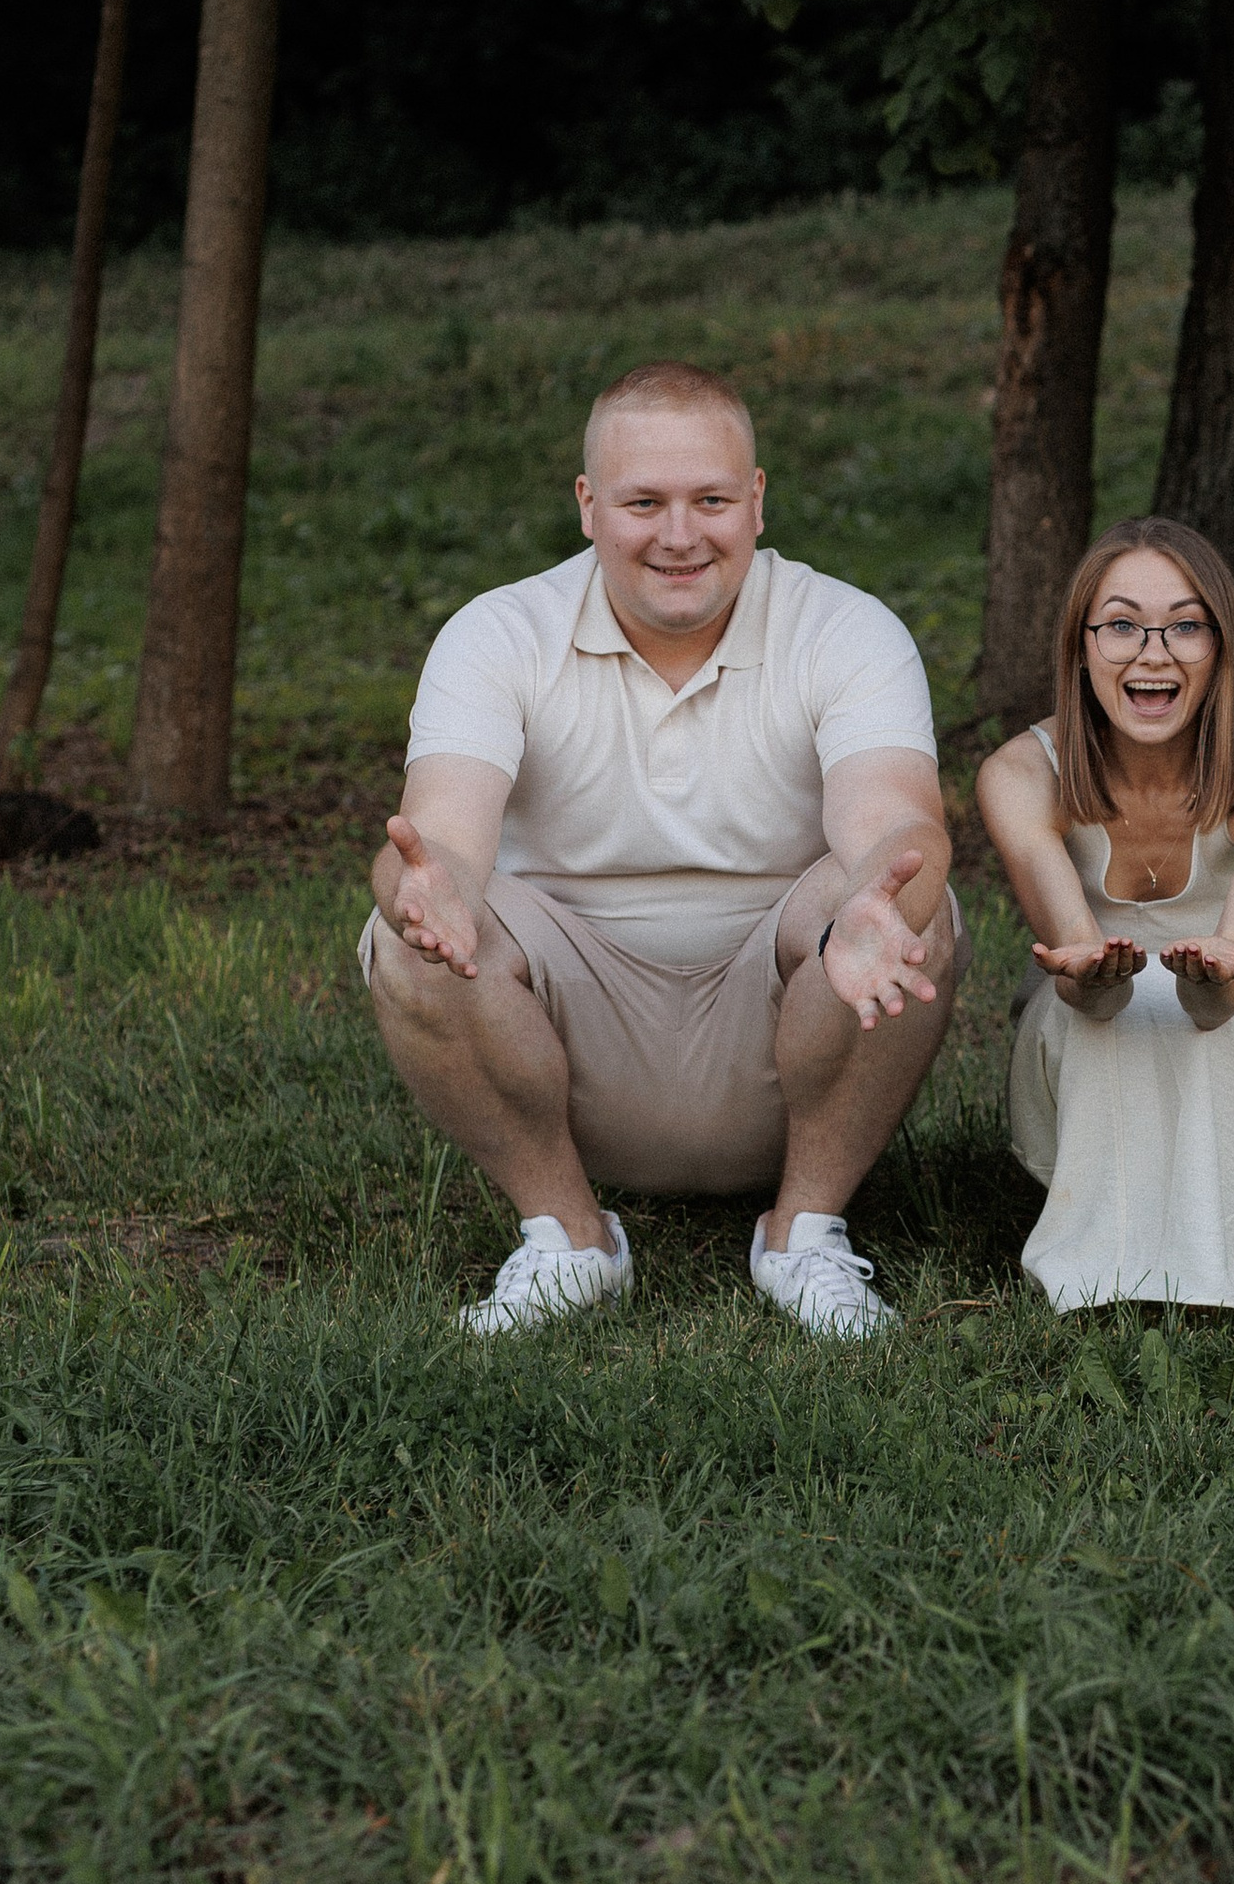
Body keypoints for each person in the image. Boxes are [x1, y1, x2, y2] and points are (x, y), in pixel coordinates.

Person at [365, 358, 957, 1337]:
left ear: (757, 501)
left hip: (787, 1034)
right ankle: (569, 1236)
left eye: (711, 499)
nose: (680, 535)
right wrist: (424, 887)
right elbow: (442, 837)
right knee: (411, 936)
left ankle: (804, 1232)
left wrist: (874, 899)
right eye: (644, 502)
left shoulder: (845, 629)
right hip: (560, 1044)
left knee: (901, 905)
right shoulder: (500, 632)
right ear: (589, 505)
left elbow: (892, 819)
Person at [976, 514, 1234, 1312]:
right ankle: (1109, 1265)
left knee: (1201, 1014)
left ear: (1220, 648)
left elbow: (1228, 992)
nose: (1152, 653)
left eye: (1185, 627)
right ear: (1080, 645)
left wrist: (1210, 979)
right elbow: (1090, 986)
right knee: (1117, 1015)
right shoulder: (1019, 774)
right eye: (1121, 624)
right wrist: (1093, 977)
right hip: (1084, 1024)